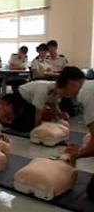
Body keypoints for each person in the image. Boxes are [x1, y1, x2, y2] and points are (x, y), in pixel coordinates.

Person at [55, 66, 94, 199]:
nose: (70, 98)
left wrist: (77, 153)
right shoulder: (90, 86)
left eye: (67, 94)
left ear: (72, 83)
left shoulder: (87, 93)